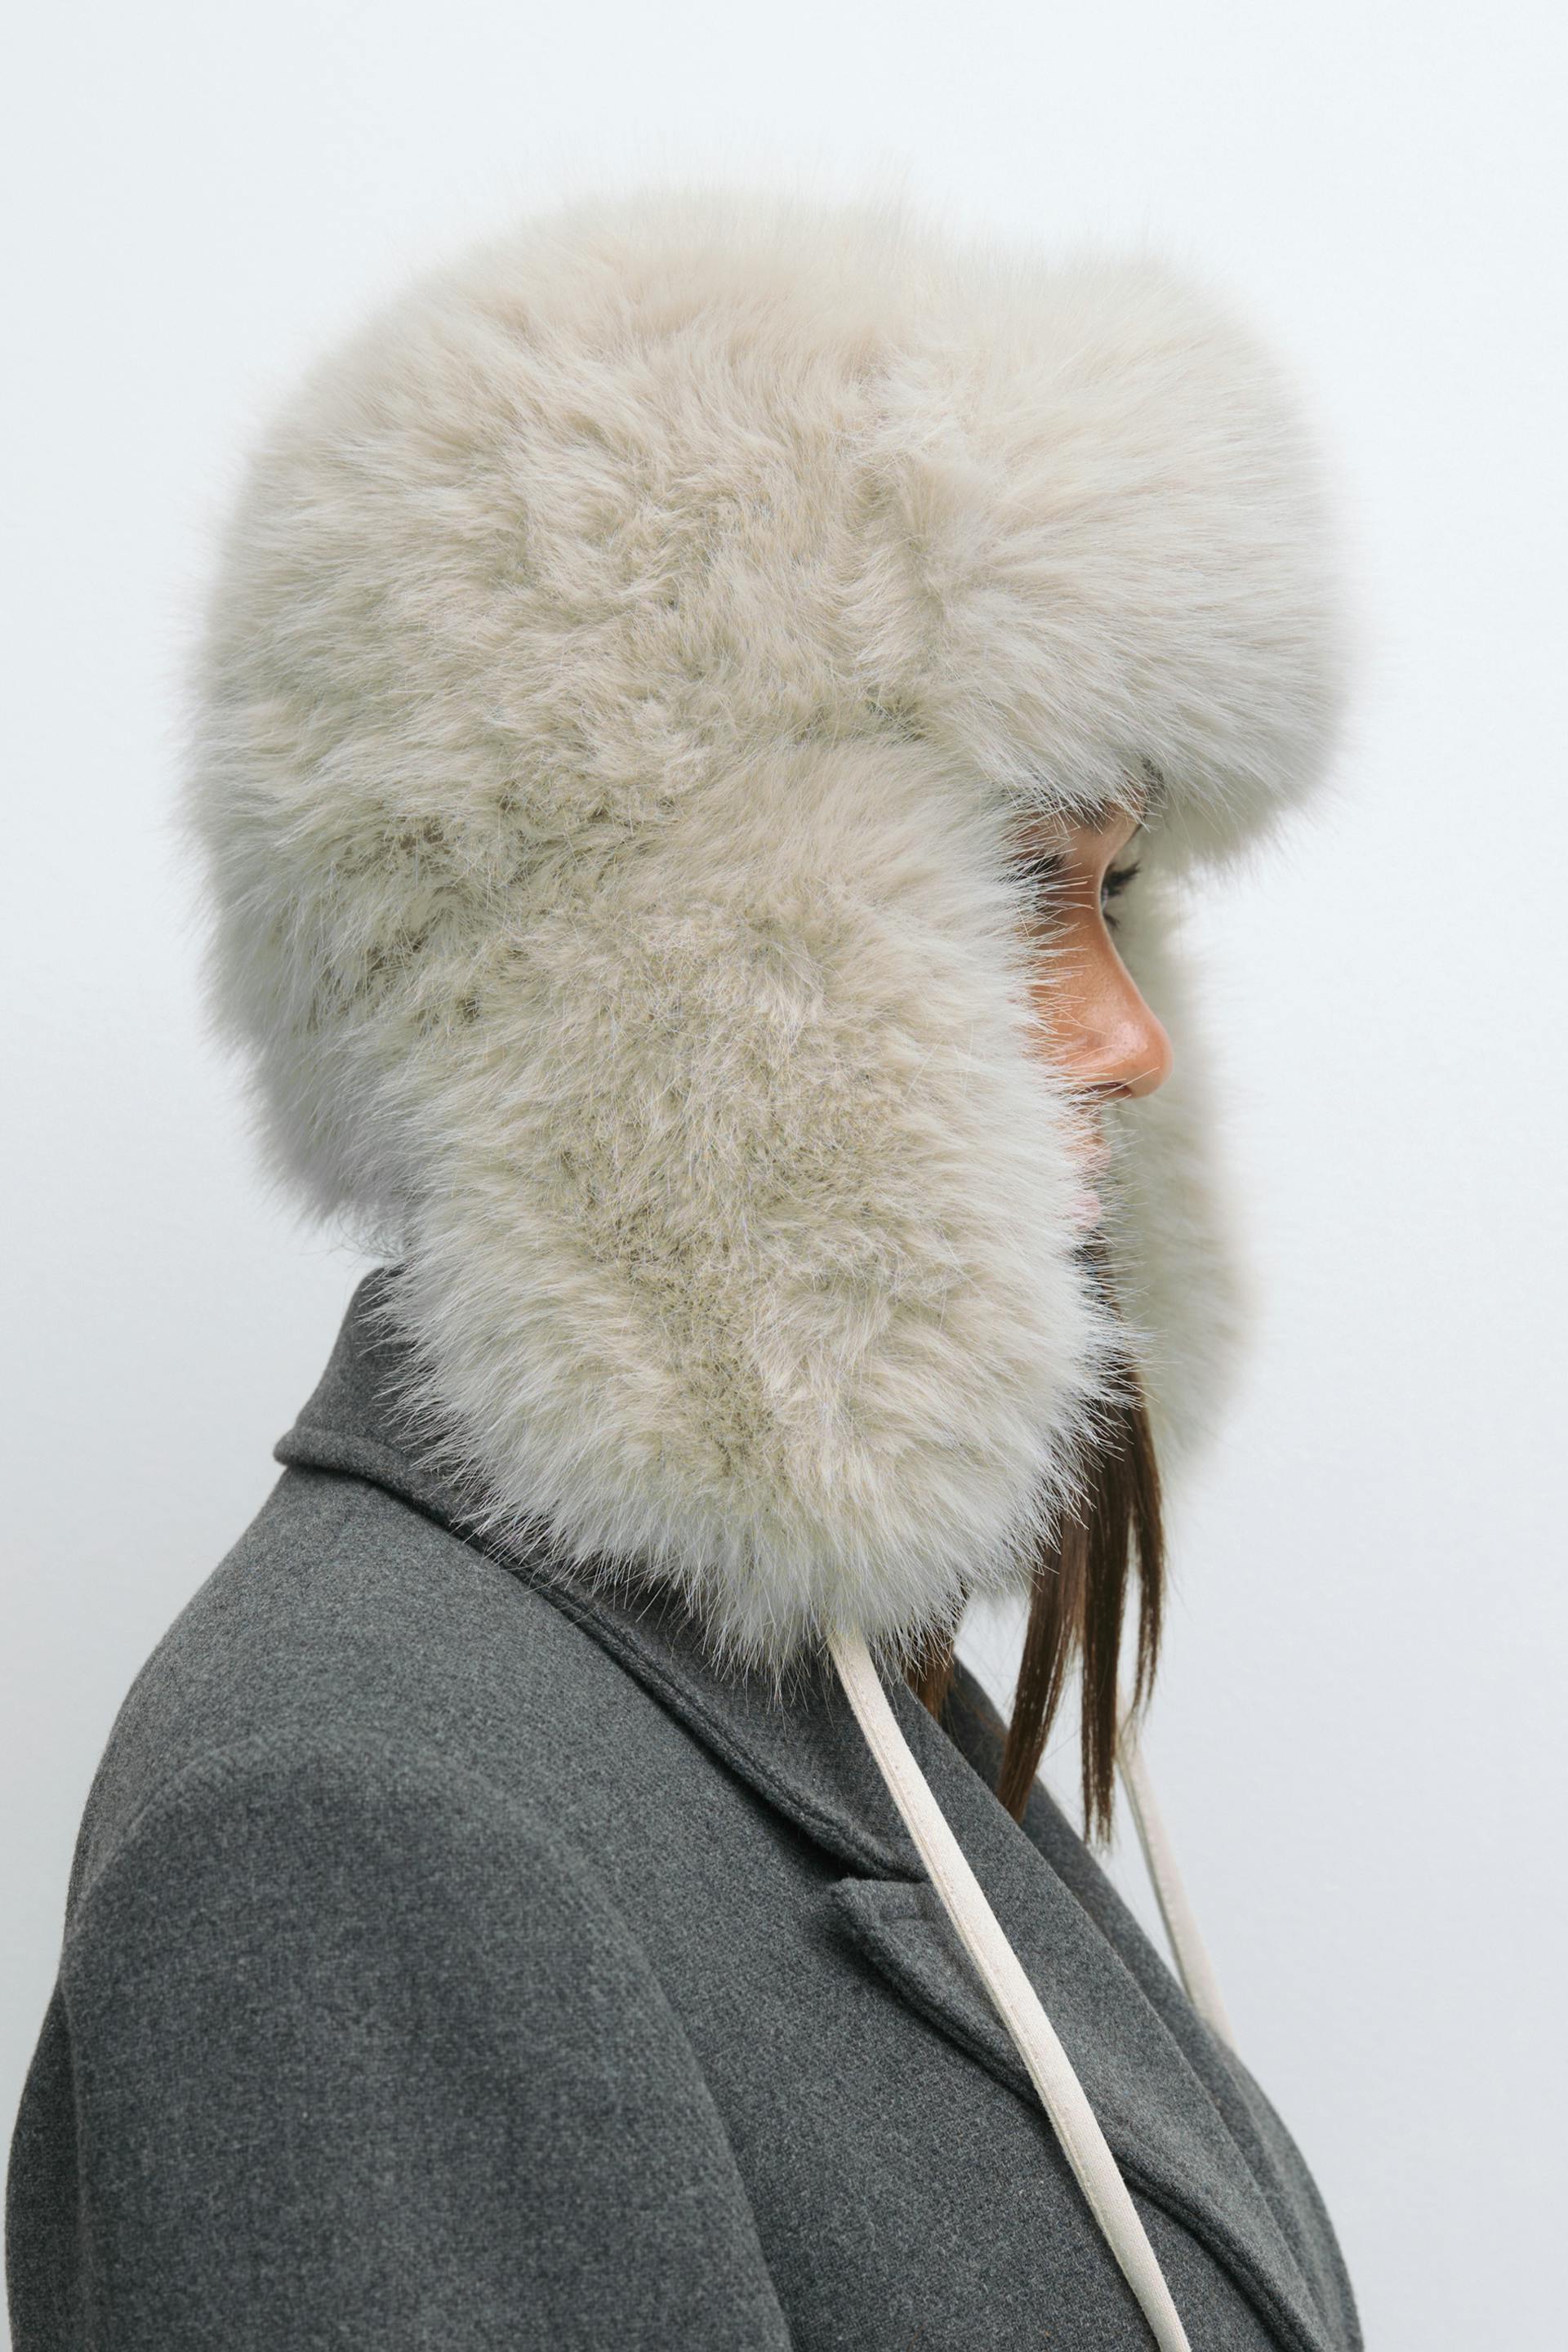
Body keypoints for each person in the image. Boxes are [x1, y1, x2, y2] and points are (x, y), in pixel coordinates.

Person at [5, 188, 1362, 2350]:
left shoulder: (799, 1697)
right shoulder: (353, 1828)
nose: (1132, 1037)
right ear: (675, 961)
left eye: (1118, 901)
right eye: (1026, 895)